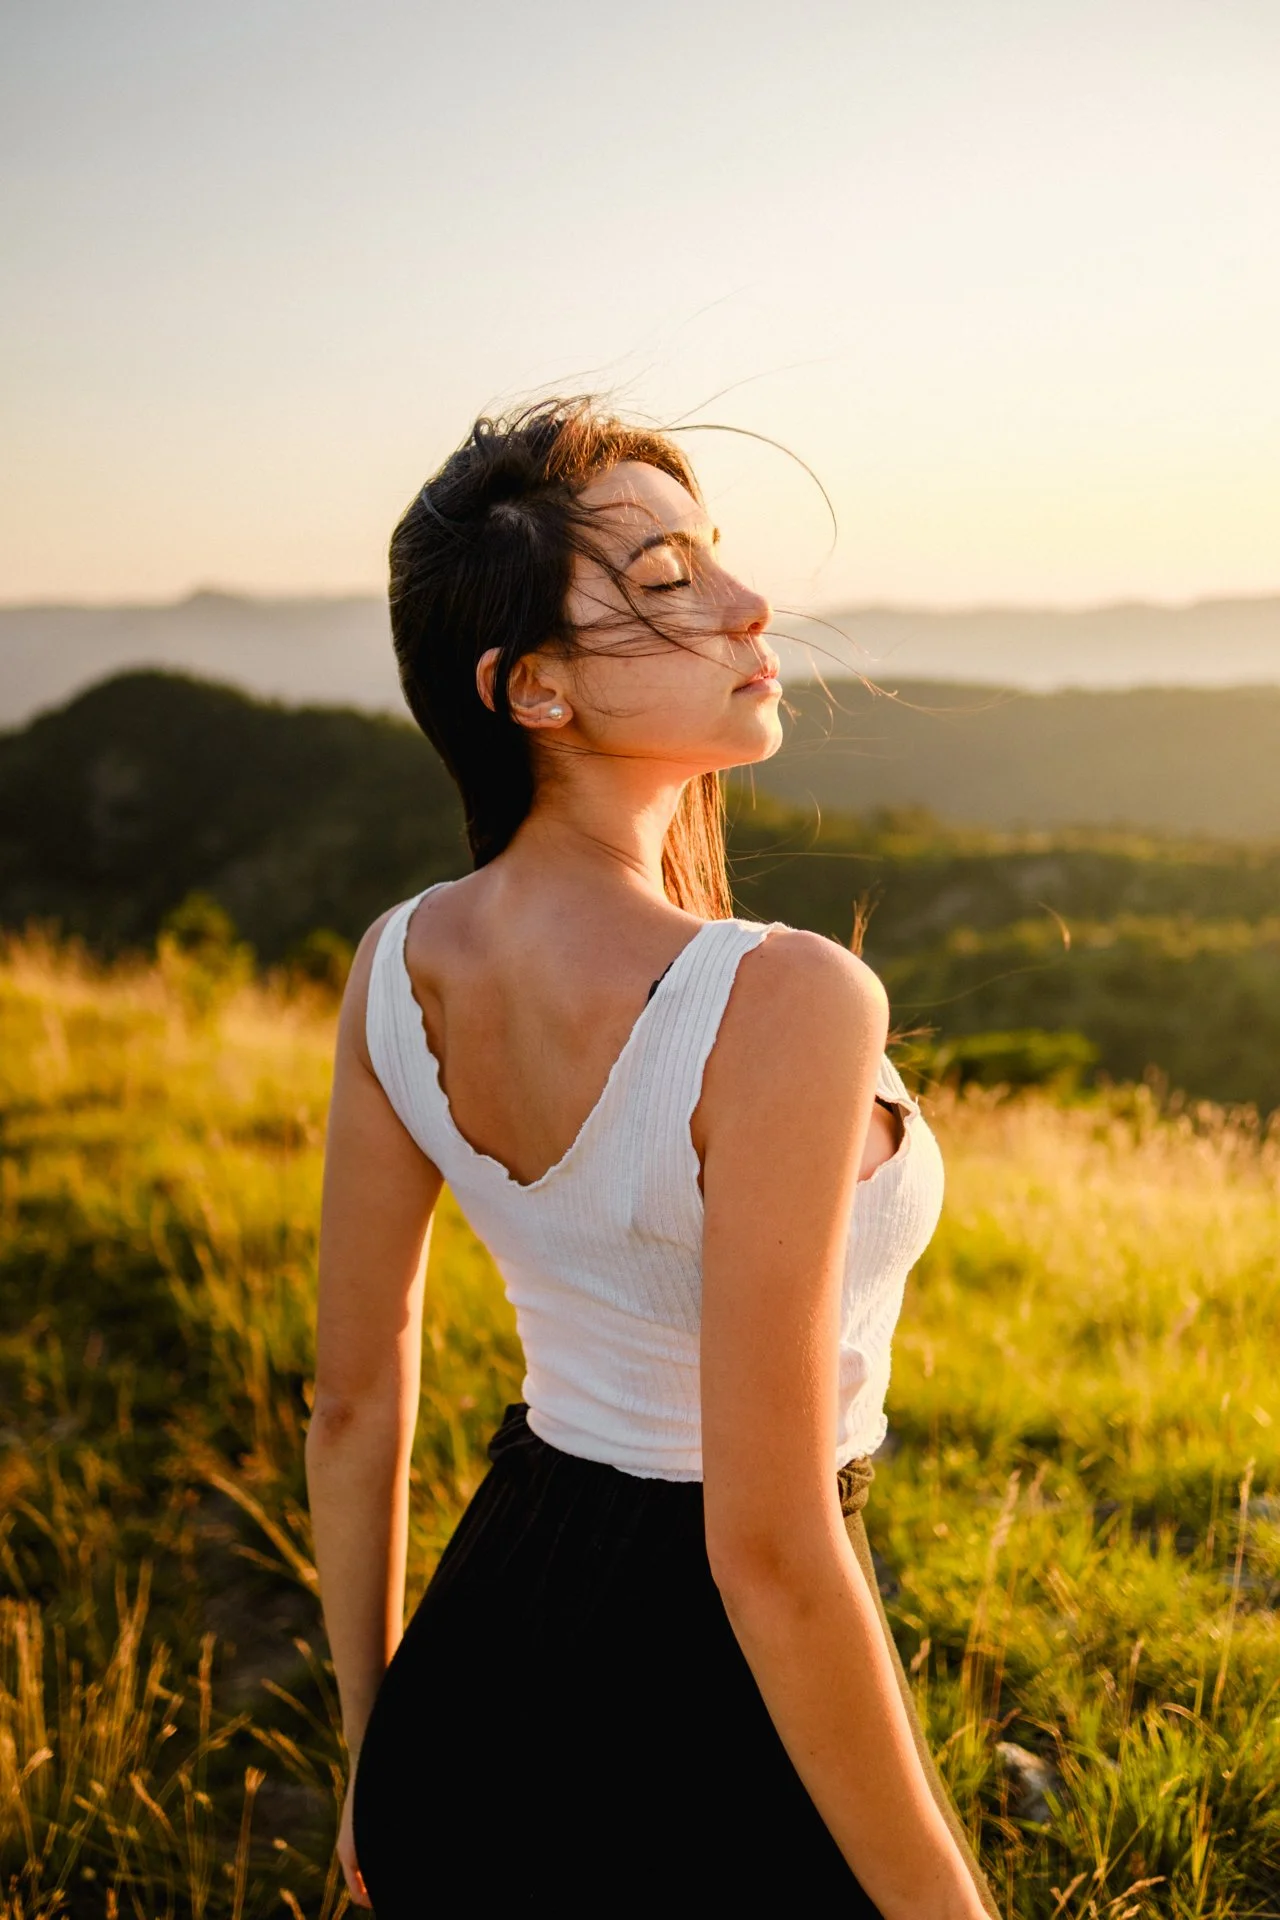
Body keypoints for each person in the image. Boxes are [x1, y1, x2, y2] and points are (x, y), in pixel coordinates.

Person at [304, 398, 1002, 1917]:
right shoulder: (789, 996)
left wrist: (376, 1748)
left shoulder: (395, 959)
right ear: (534, 690)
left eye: (717, 562)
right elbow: (766, 1547)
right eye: (667, 581)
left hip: (476, 1668)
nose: (752, 608)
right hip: (715, 1704)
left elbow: (354, 1400)